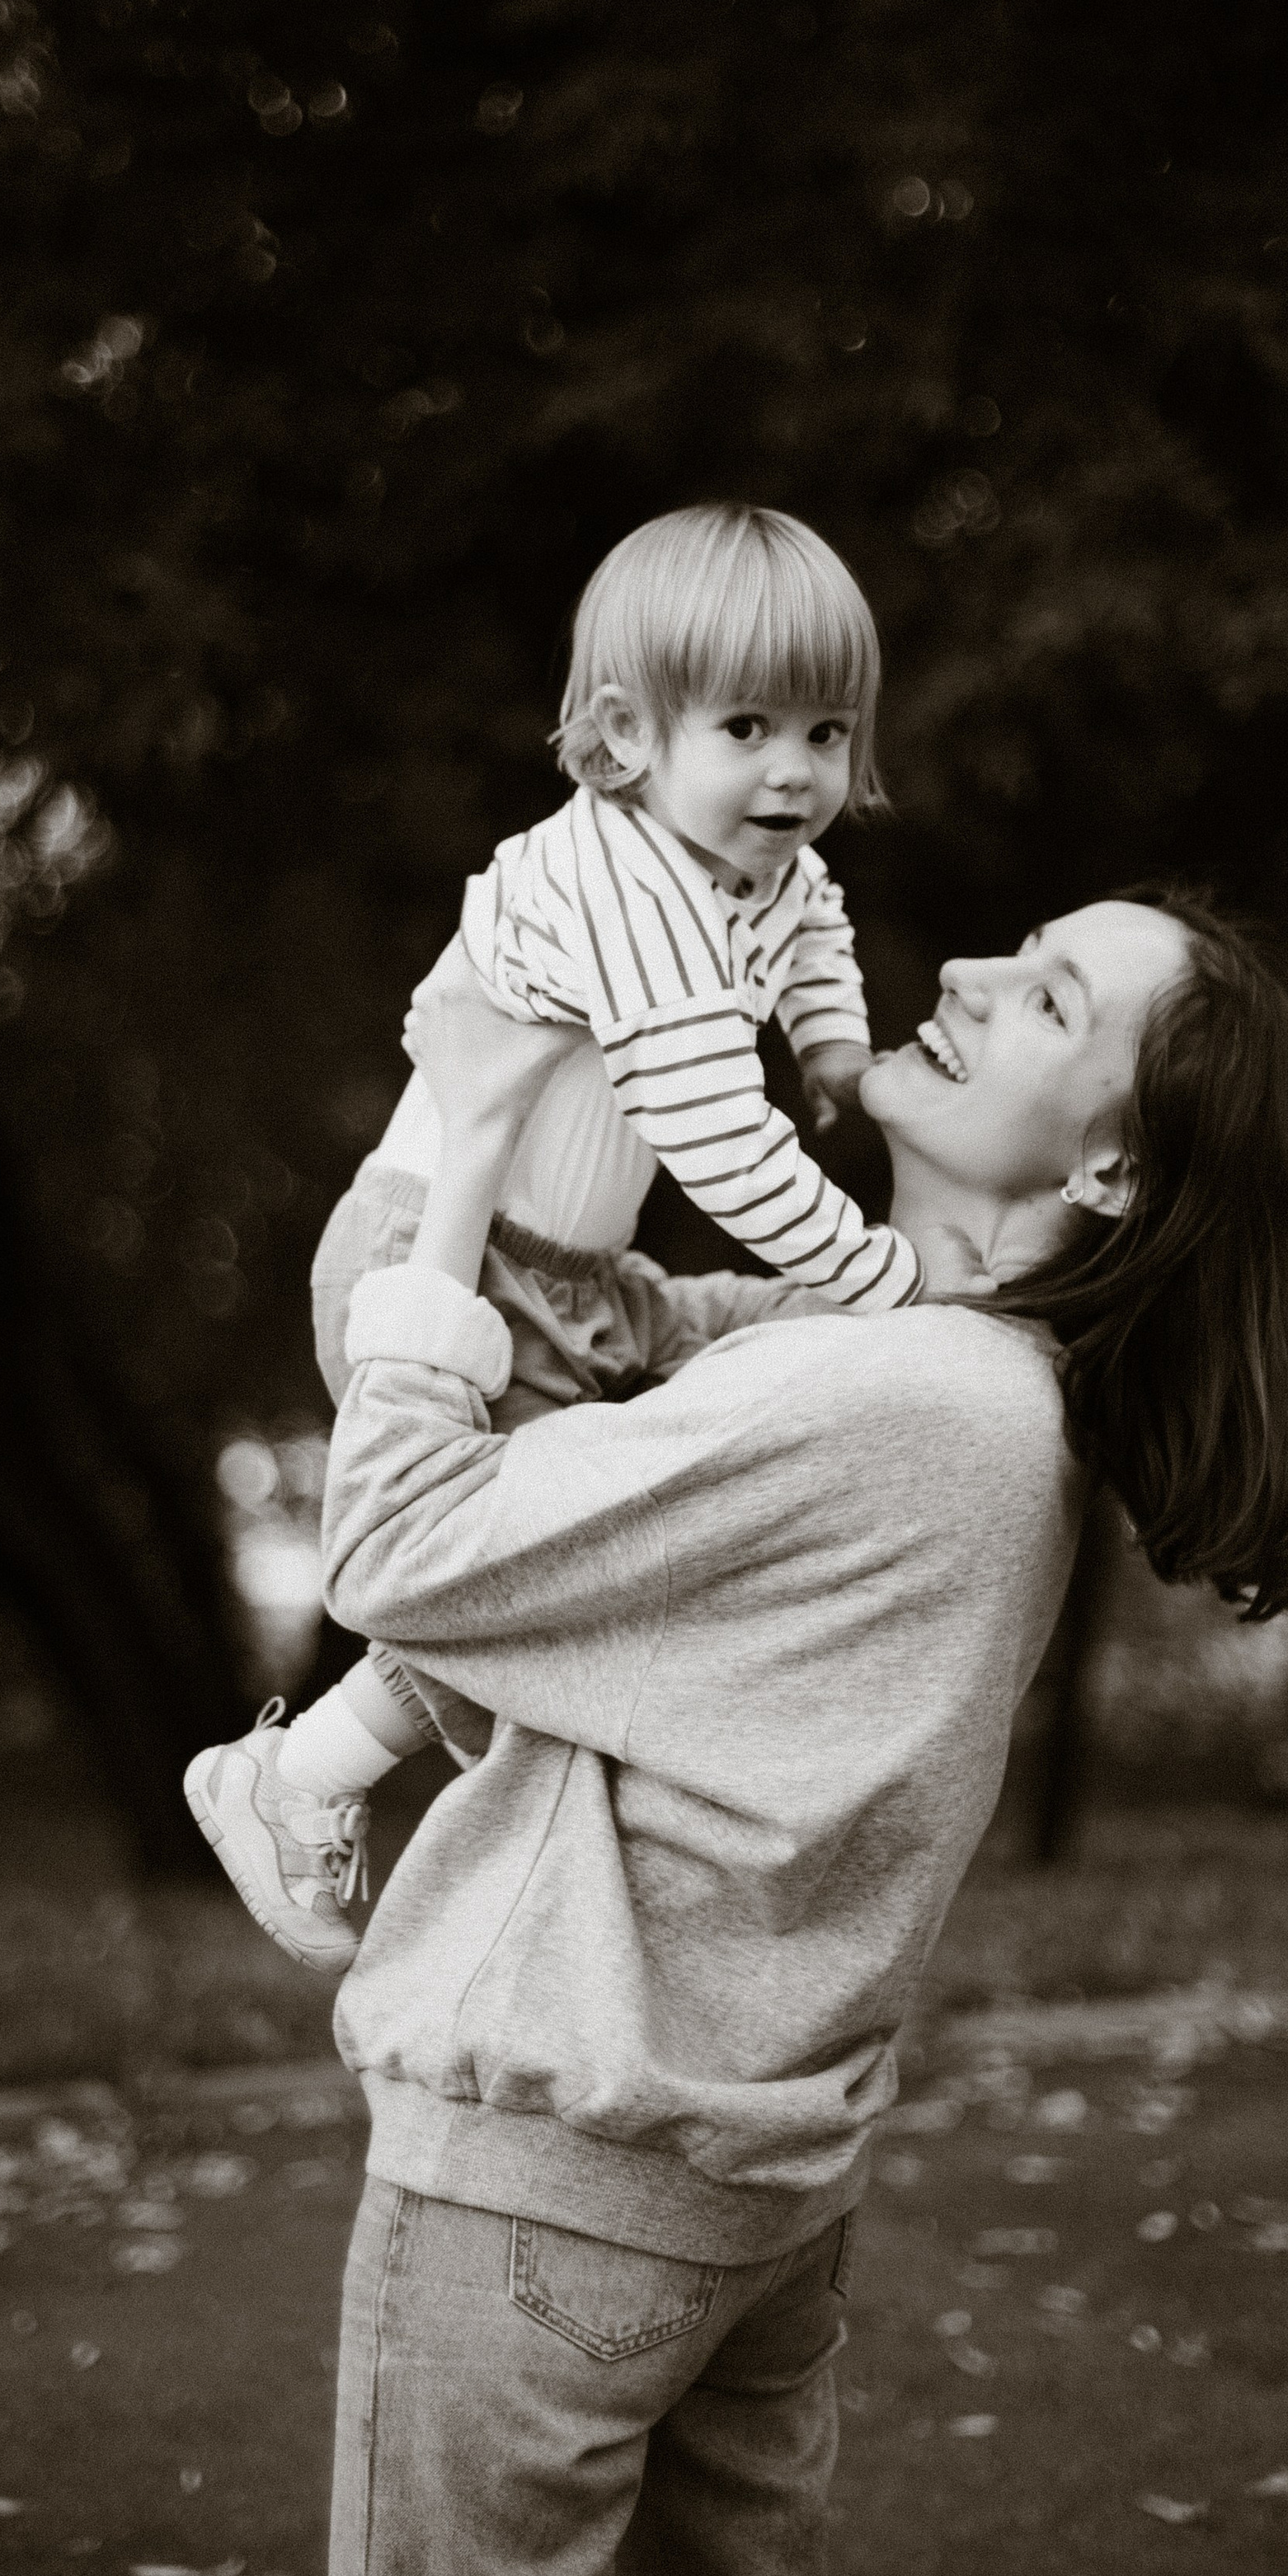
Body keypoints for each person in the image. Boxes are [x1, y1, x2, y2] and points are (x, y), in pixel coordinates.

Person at [314, 891, 1288, 2576]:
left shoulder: (890, 1399)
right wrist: (559, 1066)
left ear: (1115, 1165)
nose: (967, 971)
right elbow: (622, 1332)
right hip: (742, 2203)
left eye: (1051, 995)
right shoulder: (957, 1380)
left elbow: (396, 1553)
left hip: (552, 2188)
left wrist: (461, 1139)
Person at [186, 504, 980, 1968]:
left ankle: (330, 1789)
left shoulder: (758, 854)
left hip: (561, 1273)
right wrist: (883, 1275)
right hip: (439, 1254)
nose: (796, 769)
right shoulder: (625, 891)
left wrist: (836, 1056)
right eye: (748, 725)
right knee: (526, 1587)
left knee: (538, 1582)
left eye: (827, 727)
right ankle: (305, 1788)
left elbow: (816, 929)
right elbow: (721, 1152)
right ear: (625, 736)